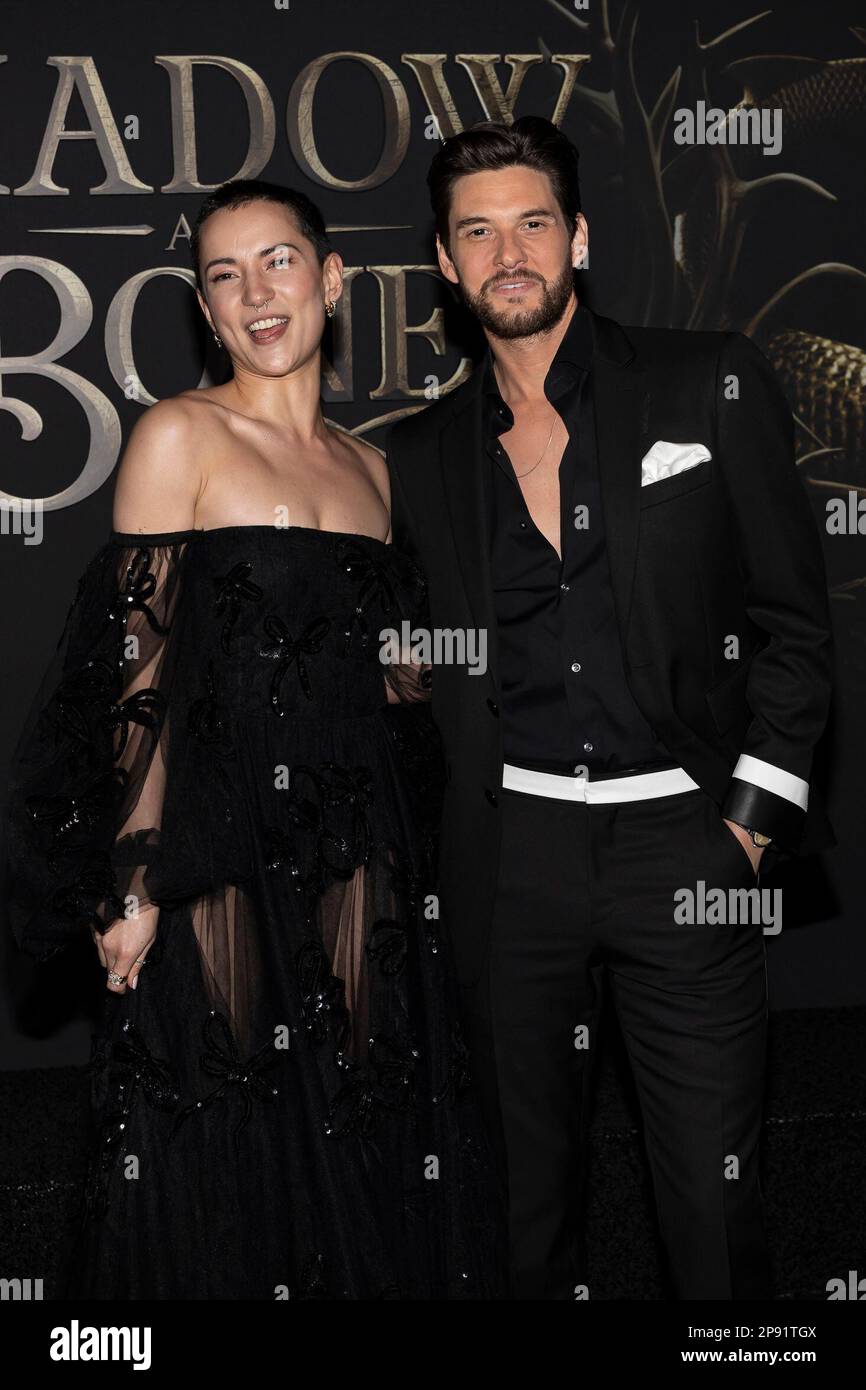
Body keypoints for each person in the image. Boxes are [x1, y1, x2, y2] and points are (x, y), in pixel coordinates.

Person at [5, 178, 506, 1300]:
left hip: (359, 856)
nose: (255, 292)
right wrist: (130, 878)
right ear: (204, 306)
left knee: (361, 1123)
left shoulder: (374, 471)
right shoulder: (179, 435)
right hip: (220, 854)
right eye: (224, 276)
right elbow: (137, 681)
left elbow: (390, 678)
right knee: (222, 1133)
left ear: (331, 280)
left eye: (277, 261)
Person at [385, 117, 834, 1299]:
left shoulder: (705, 379)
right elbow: (410, 650)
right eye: (475, 232)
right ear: (442, 262)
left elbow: (792, 623)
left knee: (712, 1202)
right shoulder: (420, 454)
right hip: (507, 859)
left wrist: (745, 823)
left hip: (680, 845)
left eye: (532, 222)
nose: (508, 252)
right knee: (522, 1214)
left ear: (576, 237)